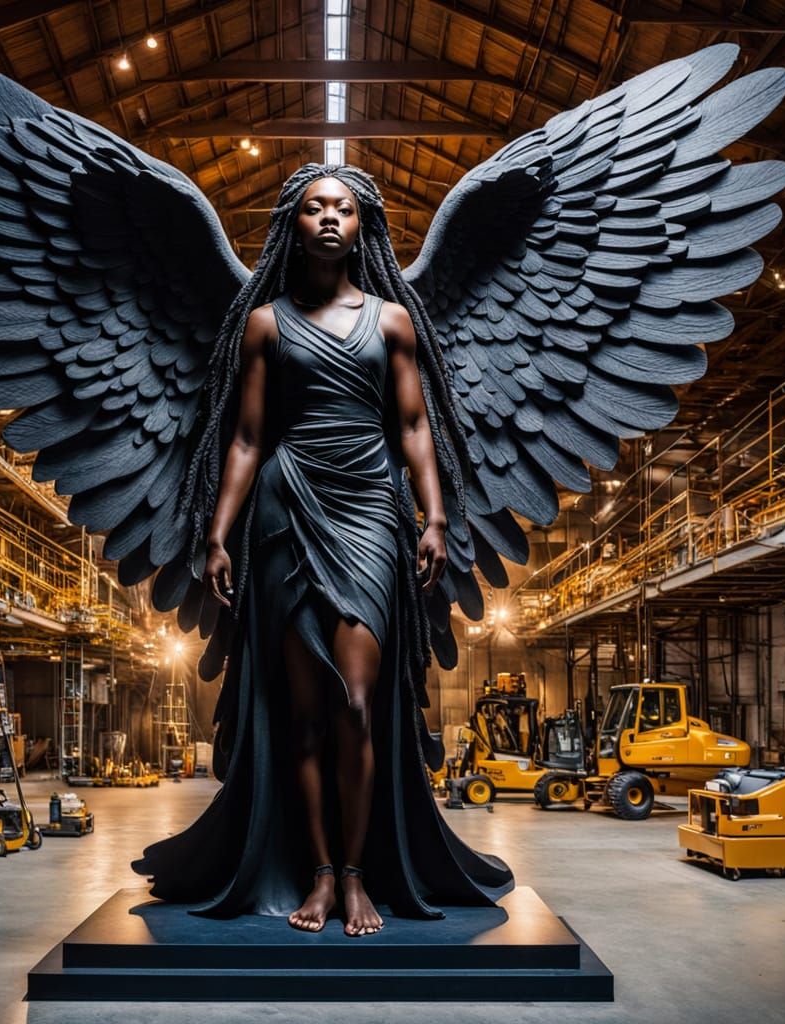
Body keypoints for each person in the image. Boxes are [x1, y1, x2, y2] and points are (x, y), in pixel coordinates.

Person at [132, 163, 513, 934]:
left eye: (344, 207)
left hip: (371, 508)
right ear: (293, 224)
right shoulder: (267, 323)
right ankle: (321, 876)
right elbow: (242, 437)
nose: (330, 218)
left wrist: (433, 517)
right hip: (286, 508)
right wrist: (215, 532)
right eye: (315, 208)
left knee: (358, 704)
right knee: (304, 714)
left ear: (363, 223)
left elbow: (413, 428)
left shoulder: (394, 323)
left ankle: (360, 873)